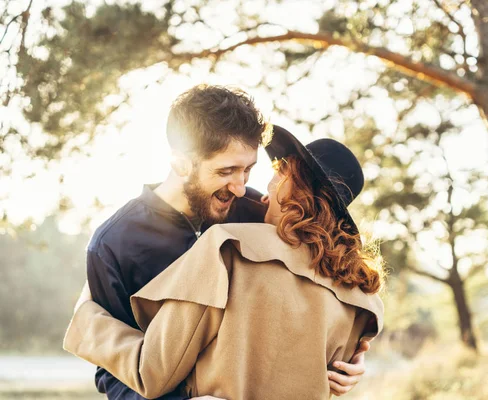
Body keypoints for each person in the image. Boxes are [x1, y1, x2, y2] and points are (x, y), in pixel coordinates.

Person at [80, 85, 368, 400]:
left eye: (247, 170)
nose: (241, 188)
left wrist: (347, 360)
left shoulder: (262, 217)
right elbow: (112, 369)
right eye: (227, 171)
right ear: (181, 164)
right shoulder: (114, 244)